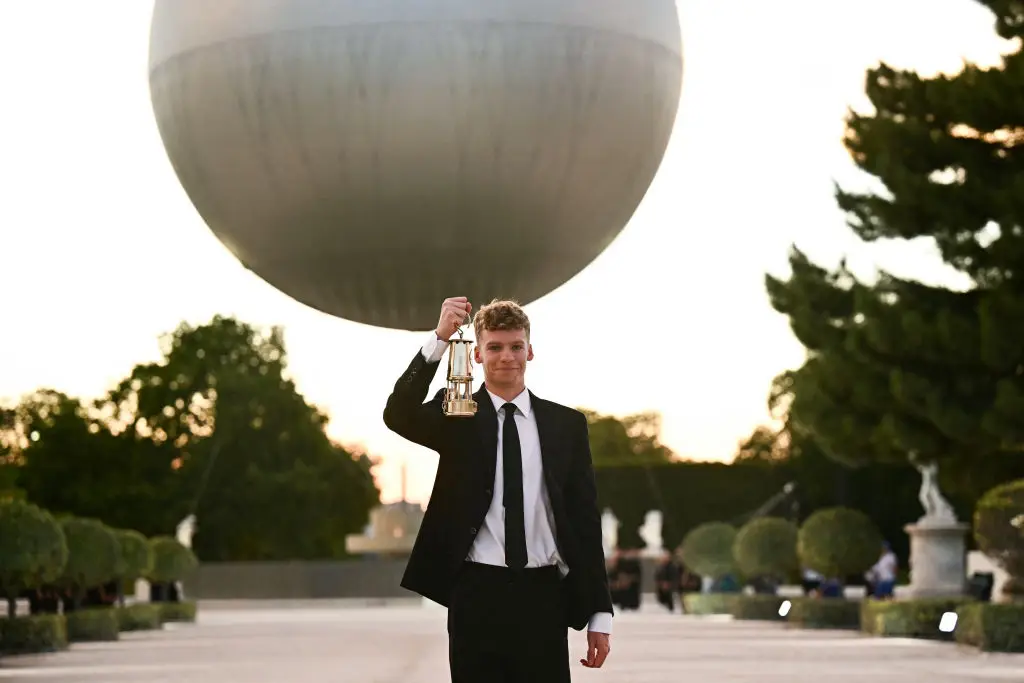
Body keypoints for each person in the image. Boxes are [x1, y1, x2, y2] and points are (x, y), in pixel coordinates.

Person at [383, 297, 614, 682]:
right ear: (476, 355)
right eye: (494, 347)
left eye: (515, 346)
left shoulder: (566, 426)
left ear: (530, 351)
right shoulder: (456, 414)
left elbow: (585, 521)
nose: (506, 356)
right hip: (476, 593)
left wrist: (599, 613)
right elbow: (398, 414)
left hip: (544, 595)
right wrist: (439, 338)